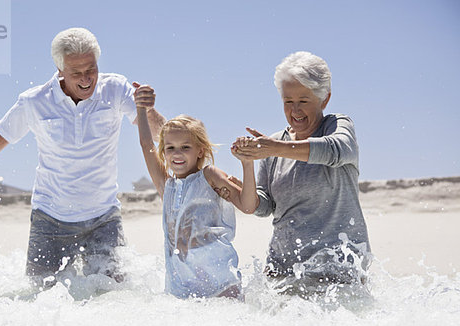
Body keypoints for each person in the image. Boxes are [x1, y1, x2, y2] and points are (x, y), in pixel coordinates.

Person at [0, 28, 165, 295]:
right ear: (59, 70)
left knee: (114, 299)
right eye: (76, 73)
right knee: (39, 299)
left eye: (91, 69)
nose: (86, 79)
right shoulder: (35, 102)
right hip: (50, 221)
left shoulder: (115, 89)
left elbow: (162, 134)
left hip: (104, 220)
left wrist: (147, 109)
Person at [229, 51, 371, 291]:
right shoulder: (274, 144)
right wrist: (247, 164)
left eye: (303, 101)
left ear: (324, 99)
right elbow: (264, 207)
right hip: (283, 271)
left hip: (338, 273)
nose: (295, 110)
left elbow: (336, 150)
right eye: (288, 101)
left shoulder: (337, 126)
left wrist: (273, 148)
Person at [134, 86, 259, 299]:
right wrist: (140, 108)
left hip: (222, 284)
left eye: (185, 147)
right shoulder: (167, 187)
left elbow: (248, 206)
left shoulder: (209, 177)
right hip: (182, 290)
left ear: (200, 150)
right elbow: (146, 144)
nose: (177, 154)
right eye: (170, 148)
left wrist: (247, 164)